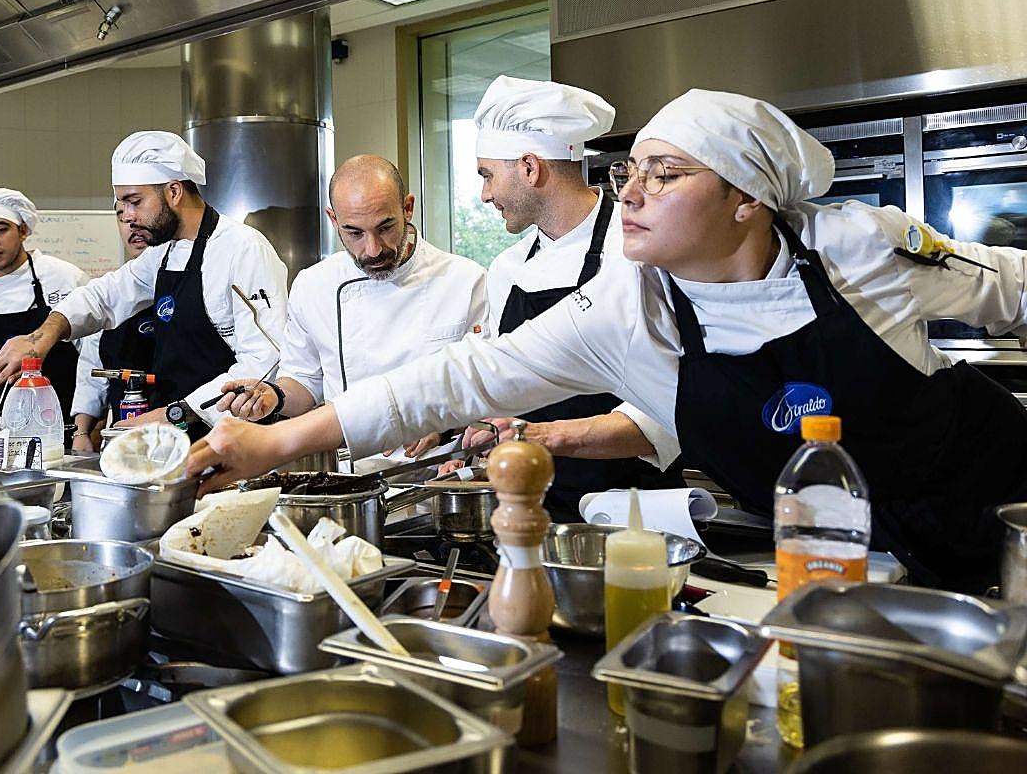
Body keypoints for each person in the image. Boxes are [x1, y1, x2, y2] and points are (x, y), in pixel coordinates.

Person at [188, 89, 1027, 593]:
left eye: (667, 174)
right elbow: (459, 378)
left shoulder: (856, 250)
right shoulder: (627, 308)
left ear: (746, 200)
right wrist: (276, 443)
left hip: (1006, 509)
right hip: (849, 561)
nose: (631, 193)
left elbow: (1013, 289)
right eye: (632, 173)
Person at [454, 76, 683, 519]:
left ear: (529, 167)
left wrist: (545, 435)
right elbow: (504, 379)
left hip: (635, 512)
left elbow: (673, 409)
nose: (485, 194)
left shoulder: (639, 253)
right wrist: (463, 425)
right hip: (533, 508)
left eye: (487, 175)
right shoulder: (508, 267)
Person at [0, 131, 287, 438]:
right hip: (174, 435)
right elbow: (106, 295)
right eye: (122, 205)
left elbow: (264, 361)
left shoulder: (242, 249)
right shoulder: (164, 251)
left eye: (135, 202)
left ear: (174, 191)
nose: (129, 217)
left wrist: (177, 413)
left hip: (230, 434)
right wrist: (43, 337)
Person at [216, 155, 487, 465]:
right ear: (333, 220)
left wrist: (443, 426)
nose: (373, 249)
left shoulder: (465, 280)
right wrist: (273, 396)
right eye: (354, 233)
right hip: (351, 472)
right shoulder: (314, 285)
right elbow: (304, 381)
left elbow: (485, 386)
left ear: (408, 208)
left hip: (440, 470)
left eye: (385, 227)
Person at [0, 188, 87, 417]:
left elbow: (91, 355)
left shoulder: (64, 277)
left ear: (23, 231)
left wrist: (89, 418)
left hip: (61, 419)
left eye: (1, 229)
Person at [70, 211, 154, 452]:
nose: (132, 225)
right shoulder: (110, 293)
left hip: (186, 432)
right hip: (124, 438)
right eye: (121, 217)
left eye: (139, 207)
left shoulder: (193, 287)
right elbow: (91, 373)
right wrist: (82, 432)